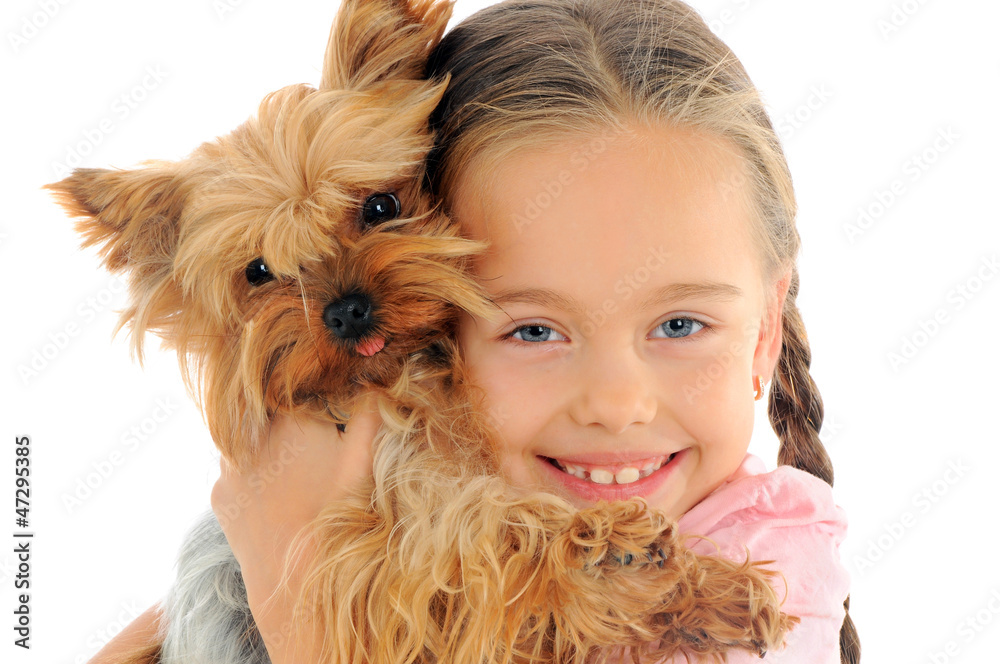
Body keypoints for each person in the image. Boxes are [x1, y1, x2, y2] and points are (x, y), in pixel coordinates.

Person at [90, 0, 857, 662]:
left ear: (766, 331)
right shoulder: (302, 494)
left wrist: (297, 595)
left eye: (681, 323)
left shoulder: (775, 566)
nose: (616, 404)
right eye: (531, 331)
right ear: (447, 338)